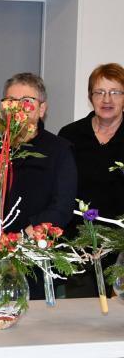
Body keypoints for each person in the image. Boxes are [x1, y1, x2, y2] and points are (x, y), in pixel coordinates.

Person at [0, 72, 77, 299]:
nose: (17, 108)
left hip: (34, 257)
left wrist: (22, 238)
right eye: (10, 102)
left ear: (42, 109)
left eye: (27, 102)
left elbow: (62, 207)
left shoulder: (59, 150)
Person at [58, 63, 124, 298]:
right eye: (100, 92)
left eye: (115, 92)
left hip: (121, 245)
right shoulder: (70, 135)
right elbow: (60, 188)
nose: (107, 99)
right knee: (81, 318)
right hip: (80, 245)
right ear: (90, 97)